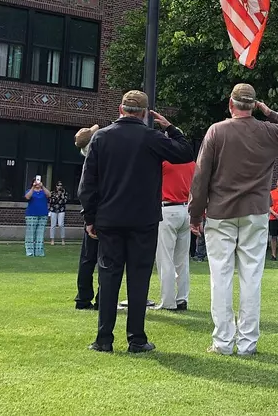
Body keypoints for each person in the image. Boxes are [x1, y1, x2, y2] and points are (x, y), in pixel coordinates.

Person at [189, 84, 278, 357]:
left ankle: (222, 342)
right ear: (254, 105)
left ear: (231, 103)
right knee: (251, 278)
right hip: (255, 212)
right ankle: (247, 344)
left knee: (221, 277)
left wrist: (196, 214)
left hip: (220, 212)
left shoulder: (216, 131)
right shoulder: (268, 131)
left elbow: (201, 177)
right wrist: (270, 112)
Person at [79, 91, 194, 354]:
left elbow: (87, 183)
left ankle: (104, 339)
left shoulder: (101, 137)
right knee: (138, 277)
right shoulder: (152, 137)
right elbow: (185, 153)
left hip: (109, 218)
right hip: (143, 219)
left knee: (108, 276)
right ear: (144, 113)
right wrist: (170, 128)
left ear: (121, 108)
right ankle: (136, 338)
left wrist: (90, 217)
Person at [155, 159, 197, 311]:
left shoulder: (164, 163)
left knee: (165, 258)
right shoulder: (192, 164)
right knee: (182, 259)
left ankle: (168, 301)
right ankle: (182, 299)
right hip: (186, 210)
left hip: (167, 209)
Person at [74, 124, 100, 311]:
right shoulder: (100, 159)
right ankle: (102, 298)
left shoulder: (88, 159)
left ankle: (83, 298)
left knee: (87, 259)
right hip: (104, 213)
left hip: (92, 214)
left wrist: (89, 219)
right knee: (107, 260)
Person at [23, 177, 50, 257]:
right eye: (35, 181)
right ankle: (30, 252)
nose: (37, 183)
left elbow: (49, 195)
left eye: (38, 181)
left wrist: (43, 187)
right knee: (30, 234)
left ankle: (39, 252)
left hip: (43, 215)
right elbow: (27, 197)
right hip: (31, 214)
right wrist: (33, 187)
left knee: (40, 234)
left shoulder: (43, 192)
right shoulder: (29, 191)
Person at [49, 181, 68, 246]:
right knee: (53, 225)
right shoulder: (52, 193)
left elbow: (65, 201)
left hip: (61, 210)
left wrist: (62, 195)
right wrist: (57, 196)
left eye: (61, 185)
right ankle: (52, 240)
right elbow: (51, 201)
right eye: (58, 185)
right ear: (56, 186)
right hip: (53, 210)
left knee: (61, 224)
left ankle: (63, 239)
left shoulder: (64, 193)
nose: (60, 186)